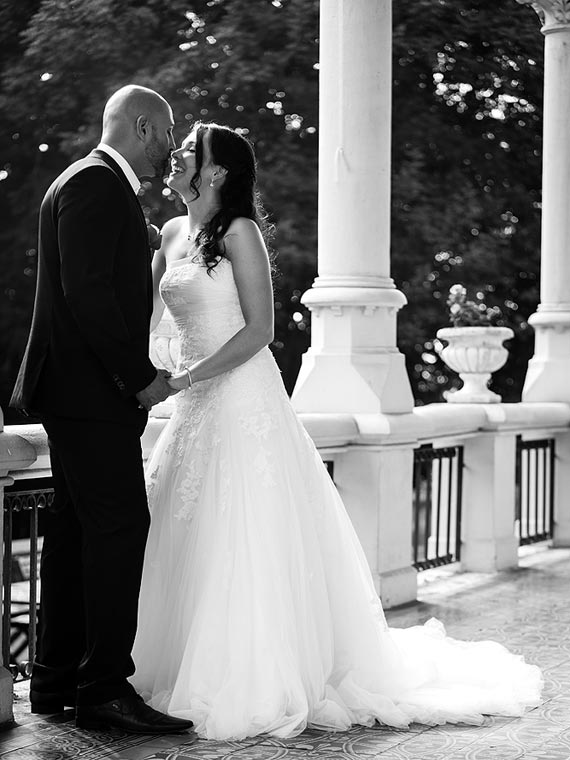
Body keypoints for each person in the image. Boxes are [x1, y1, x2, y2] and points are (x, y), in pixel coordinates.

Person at [131, 122, 542, 740]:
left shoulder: (239, 233)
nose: (176, 157)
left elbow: (259, 330)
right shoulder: (168, 233)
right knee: (184, 529)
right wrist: (153, 368)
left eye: (189, 152)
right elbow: (157, 318)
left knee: (247, 530)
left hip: (240, 396)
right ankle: (161, 668)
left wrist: (187, 377)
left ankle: (255, 674)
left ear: (214, 173)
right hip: (189, 409)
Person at [10, 85, 194, 735]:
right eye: (168, 132)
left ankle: (56, 682)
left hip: (75, 394)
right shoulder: (94, 183)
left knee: (72, 534)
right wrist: (139, 377)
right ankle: (104, 689)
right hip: (90, 395)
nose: (172, 146)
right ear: (143, 127)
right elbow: (87, 295)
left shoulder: (83, 182)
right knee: (120, 529)